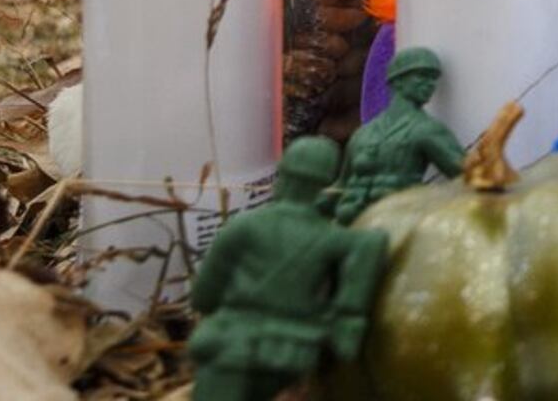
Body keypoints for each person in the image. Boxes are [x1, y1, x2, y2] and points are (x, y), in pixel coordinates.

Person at [186, 137, 386, 401]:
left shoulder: (244, 226)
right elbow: (372, 242)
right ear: (325, 186)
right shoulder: (330, 236)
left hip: (231, 345)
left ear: (283, 175)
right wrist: (349, 314)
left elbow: (203, 295)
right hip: (292, 353)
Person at [337, 47, 464, 220]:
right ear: (397, 81)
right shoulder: (363, 134)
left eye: (433, 78)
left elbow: (469, 176)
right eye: (422, 75)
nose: (430, 84)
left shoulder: (427, 129)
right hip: (353, 221)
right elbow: (341, 185)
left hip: (400, 223)